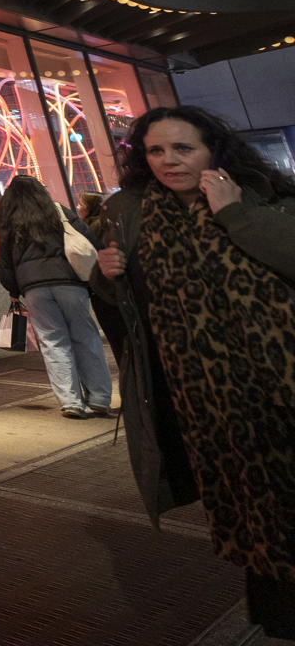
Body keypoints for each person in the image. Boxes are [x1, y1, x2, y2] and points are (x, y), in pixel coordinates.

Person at [94, 106, 295, 636]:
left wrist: (234, 214)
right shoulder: (132, 213)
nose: (168, 161)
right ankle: (278, 613)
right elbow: (135, 312)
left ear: (214, 150)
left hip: (282, 378)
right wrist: (106, 279)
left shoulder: (261, 193)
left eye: (183, 148)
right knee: (253, 502)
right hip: (206, 397)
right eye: (156, 151)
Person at [0, 175, 113, 418]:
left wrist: (13, 291)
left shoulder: (9, 221)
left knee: (53, 342)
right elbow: (87, 240)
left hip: (34, 287)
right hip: (70, 282)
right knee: (86, 336)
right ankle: (99, 397)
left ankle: (71, 402)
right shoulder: (59, 211)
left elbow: (5, 262)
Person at [74, 191, 127, 365]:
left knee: (117, 340)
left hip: (102, 290)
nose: (78, 207)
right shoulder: (110, 225)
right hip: (116, 289)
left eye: (82, 204)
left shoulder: (88, 229)